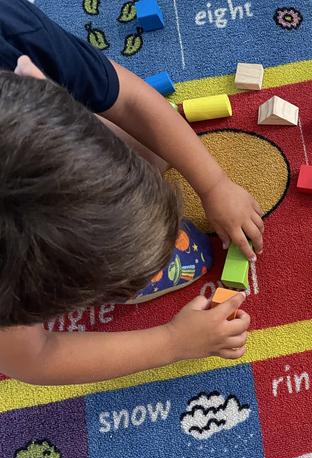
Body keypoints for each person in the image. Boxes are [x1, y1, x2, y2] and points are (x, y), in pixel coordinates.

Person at [0, 0, 262, 385]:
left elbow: (132, 100)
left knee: (152, 144)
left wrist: (214, 183)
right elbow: (32, 359)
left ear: (41, 84)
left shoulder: (15, 34)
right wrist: (173, 342)